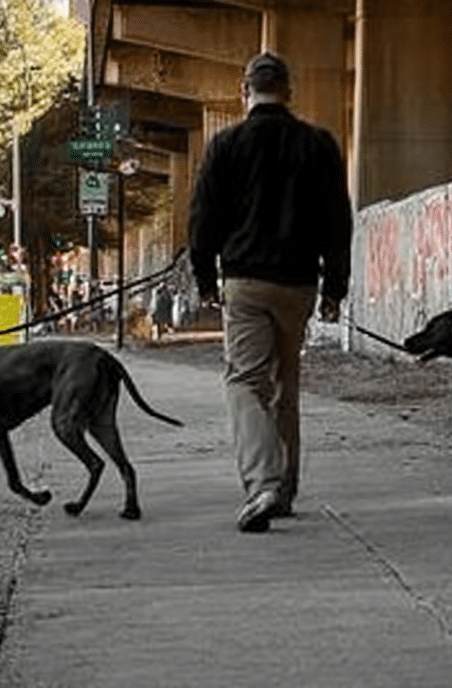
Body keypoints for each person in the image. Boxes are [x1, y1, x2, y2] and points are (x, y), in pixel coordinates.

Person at [189, 51, 353, 533]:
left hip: (244, 283)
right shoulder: (319, 144)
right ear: (289, 91)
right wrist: (335, 289)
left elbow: (202, 220)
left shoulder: (226, 145)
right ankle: (283, 492)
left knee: (245, 381)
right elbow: (336, 222)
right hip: (299, 285)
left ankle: (263, 482)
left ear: (245, 93)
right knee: (286, 387)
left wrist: (204, 279)